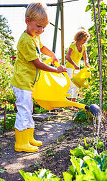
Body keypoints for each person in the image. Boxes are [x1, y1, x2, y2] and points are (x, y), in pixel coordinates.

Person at [10, 2, 66, 153]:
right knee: (24, 111)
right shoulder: (26, 40)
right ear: (27, 21)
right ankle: (20, 143)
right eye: (38, 26)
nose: (41, 30)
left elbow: (41, 47)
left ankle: (28, 138)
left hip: (28, 83)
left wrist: (52, 54)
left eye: (44, 27)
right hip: (22, 82)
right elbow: (37, 63)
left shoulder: (34, 36)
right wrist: (56, 70)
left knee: (28, 110)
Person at [65, 30, 90, 103]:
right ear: (79, 38)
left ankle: (74, 103)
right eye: (84, 40)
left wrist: (86, 63)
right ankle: (69, 104)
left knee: (77, 85)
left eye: (86, 40)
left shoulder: (83, 47)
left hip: (77, 68)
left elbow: (86, 57)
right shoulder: (72, 46)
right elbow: (68, 57)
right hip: (70, 67)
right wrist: (74, 65)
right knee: (70, 85)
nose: (85, 41)